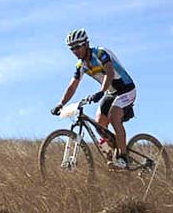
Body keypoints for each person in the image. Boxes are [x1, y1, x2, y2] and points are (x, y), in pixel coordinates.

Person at [52, 28, 139, 167]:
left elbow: (110, 73)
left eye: (77, 47)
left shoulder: (100, 53)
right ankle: (114, 153)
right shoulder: (81, 65)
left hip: (126, 89)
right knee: (99, 124)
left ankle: (123, 156)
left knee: (114, 116)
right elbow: (72, 86)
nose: (75, 51)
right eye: (72, 49)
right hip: (110, 92)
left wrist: (101, 91)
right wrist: (60, 104)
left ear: (86, 44)